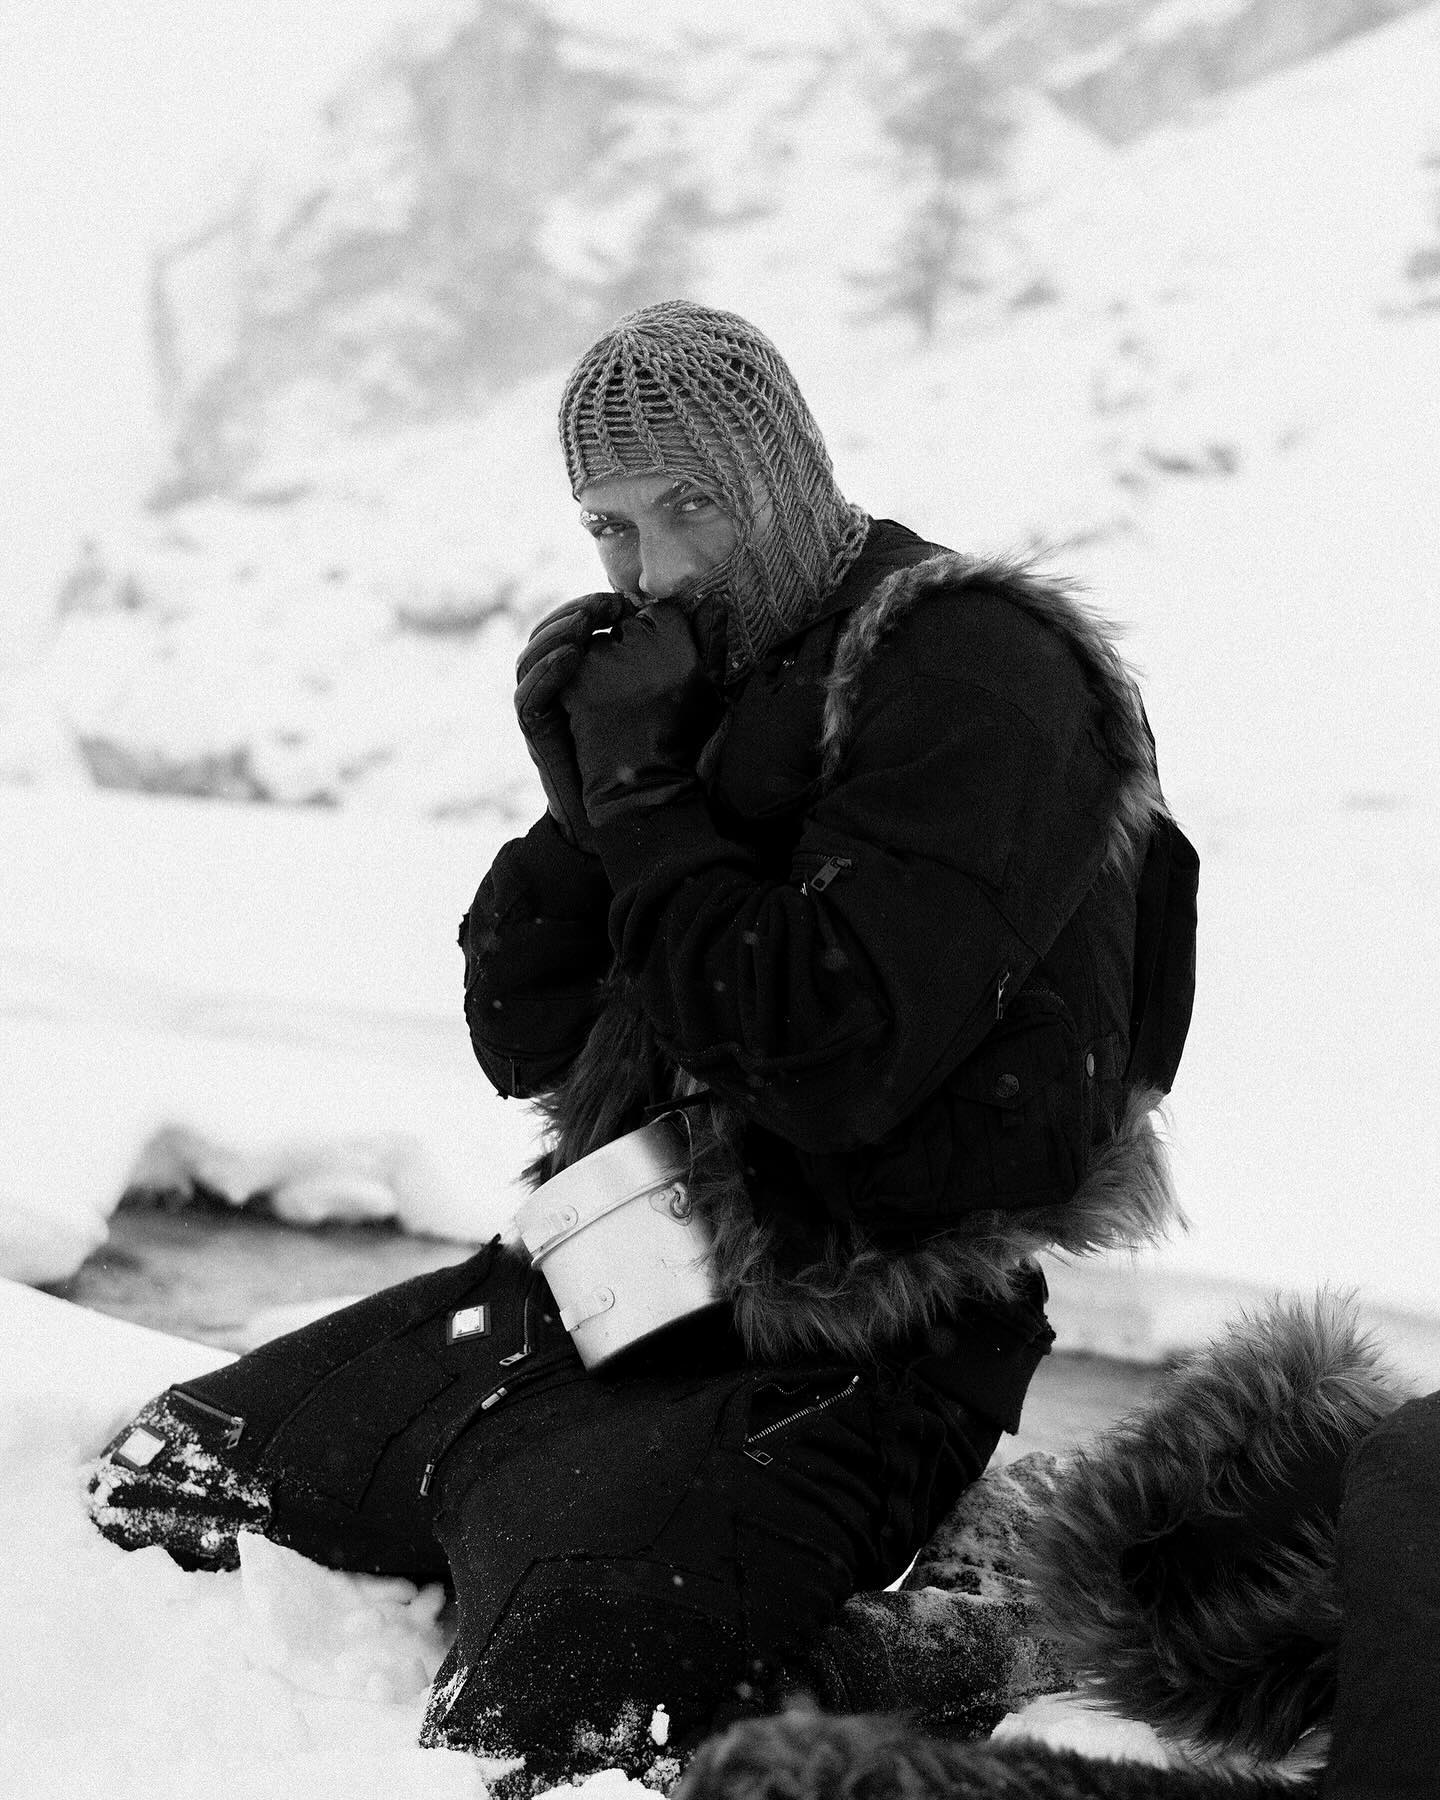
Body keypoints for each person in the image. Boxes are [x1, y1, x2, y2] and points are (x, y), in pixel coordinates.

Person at [86, 299, 1195, 1794]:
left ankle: (938, 1637)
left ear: (786, 479)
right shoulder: (703, 686)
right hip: (614, 1279)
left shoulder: (978, 671)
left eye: (692, 507)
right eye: (609, 525)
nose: (650, 567)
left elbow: (830, 1053)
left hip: (866, 1341)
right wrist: (586, 799)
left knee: (554, 1736)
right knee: (167, 1486)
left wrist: (648, 804)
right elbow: (524, 1035)